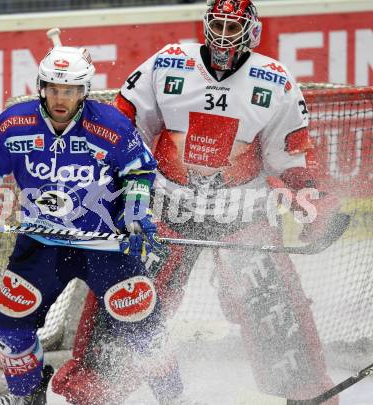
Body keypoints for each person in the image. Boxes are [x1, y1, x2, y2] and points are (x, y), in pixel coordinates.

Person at [109, 0, 340, 402]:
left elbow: (289, 156)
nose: (222, 35)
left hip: (242, 215)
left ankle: (305, 392)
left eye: (232, 28)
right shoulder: (168, 64)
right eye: (217, 24)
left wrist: (306, 195)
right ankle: (93, 386)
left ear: (251, 32)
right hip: (167, 209)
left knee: (275, 304)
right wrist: (119, 185)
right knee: (127, 294)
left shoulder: (274, 80)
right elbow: (126, 127)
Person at [0, 31, 185, 405]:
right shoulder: (14, 125)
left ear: (84, 91)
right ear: (42, 86)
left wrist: (136, 212)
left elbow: (140, 172)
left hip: (107, 248)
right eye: (54, 88)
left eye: (70, 89)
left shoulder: (110, 126)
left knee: (145, 326)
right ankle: (27, 395)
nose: (61, 99)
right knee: (10, 326)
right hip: (42, 245)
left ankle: (174, 398)